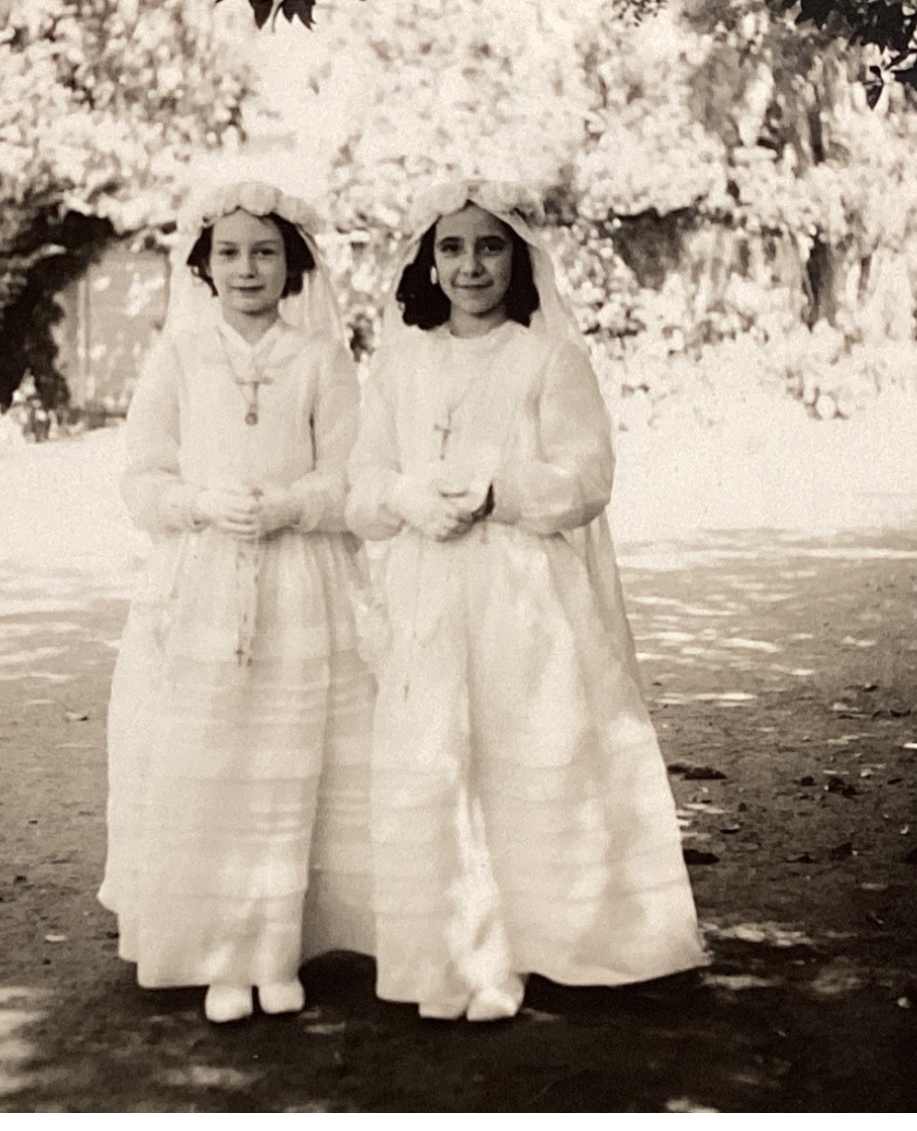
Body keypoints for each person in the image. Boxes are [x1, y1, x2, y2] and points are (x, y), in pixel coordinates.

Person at [346, 180, 707, 1022]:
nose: (471, 265)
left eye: (490, 246)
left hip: (523, 596)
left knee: (523, 752)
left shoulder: (546, 357)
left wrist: (497, 490)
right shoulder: (400, 360)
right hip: (428, 592)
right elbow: (359, 486)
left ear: (518, 257)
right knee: (440, 760)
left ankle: (543, 941)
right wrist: (405, 496)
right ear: (429, 263)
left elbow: (588, 478)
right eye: (453, 248)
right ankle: (457, 954)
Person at [98, 182, 375, 1024]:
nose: (247, 268)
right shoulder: (179, 357)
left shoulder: (322, 357)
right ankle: (219, 949)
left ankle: (275, 945)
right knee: (210, 758)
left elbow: (354, 477)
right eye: (229, 252)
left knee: (287, 758)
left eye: (265, 251)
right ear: (204, 266)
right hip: (204, 580)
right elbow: (142, 477)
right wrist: (198, 505)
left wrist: (295, 505)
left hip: (298, 579)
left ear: (291, 264)